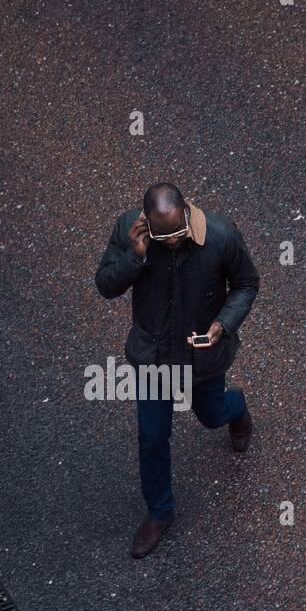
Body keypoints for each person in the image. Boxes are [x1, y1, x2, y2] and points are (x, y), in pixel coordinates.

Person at [95, 182, 260, 558]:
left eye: (178, 234)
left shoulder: (219, 234)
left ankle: (237, 410)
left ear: (187, 213)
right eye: (161, 237)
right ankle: (159, 512)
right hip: (155, 358)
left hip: (202, 357)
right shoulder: (128, 230)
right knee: (152, 436)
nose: (171, 243)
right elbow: (105, 285)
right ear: (145, 225)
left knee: (212, 414)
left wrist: (222, 324)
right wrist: (134, 257)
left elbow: (247, 284)